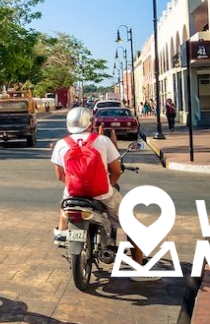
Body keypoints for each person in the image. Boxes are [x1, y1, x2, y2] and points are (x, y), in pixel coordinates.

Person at [50, 107, 143, 263]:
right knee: (132, 224)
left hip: (73, 194)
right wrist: (108, 185)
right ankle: (139, 267)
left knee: (64, 203)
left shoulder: (61, 144)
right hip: (102, 193)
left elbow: (60, 176)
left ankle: (61, 233)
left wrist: (76, 185)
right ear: (90, 123)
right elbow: (116, 171)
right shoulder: (102, 141)